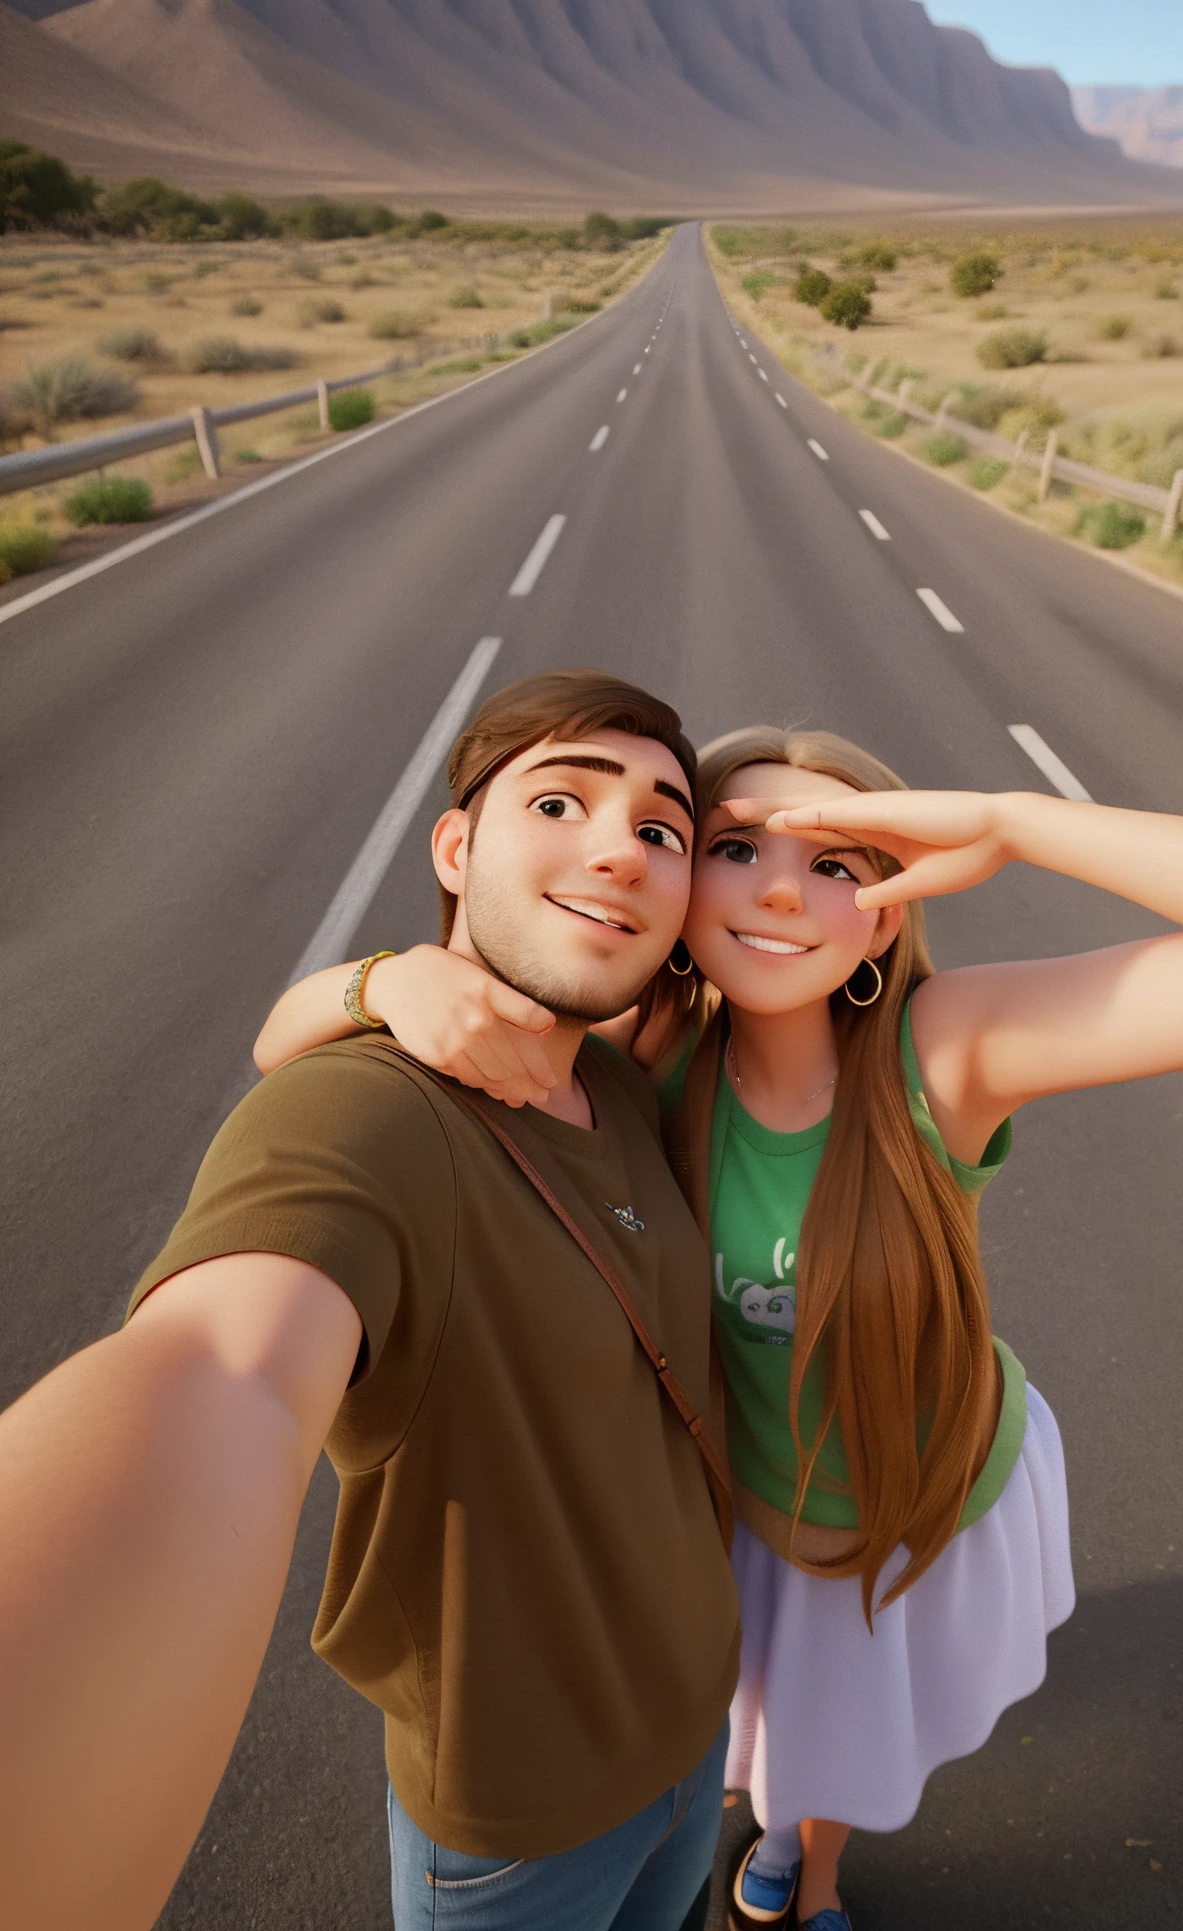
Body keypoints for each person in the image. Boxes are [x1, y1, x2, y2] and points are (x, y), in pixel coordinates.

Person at [262, 724, 1183, 1931]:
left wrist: (1012, 821)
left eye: (840, 861)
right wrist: (382, 980)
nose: (784, 886)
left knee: (838, 1733)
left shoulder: (940, 1052)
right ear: (680, 889)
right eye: (734, 846)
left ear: (885, 916)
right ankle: (777, 1829)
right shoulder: (642, 1057)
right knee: (766, 1724)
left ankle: (805, 1869)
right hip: (737, 1508)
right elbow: (290, 1049)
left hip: (909, 1497)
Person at [0, 670, 742, 1931]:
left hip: (694, 1743)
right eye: (560, 801)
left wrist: (360, 978)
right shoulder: (362, 1113)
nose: (618, 848)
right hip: (524, 1827)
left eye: (662, 830)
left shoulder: (617, 1078)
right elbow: (216, 1372)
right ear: (455, 846)